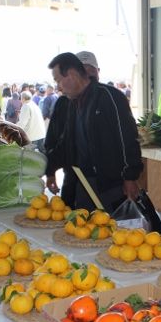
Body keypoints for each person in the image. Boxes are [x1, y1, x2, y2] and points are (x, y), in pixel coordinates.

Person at [45, 52, 143, 212]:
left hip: (111, 185)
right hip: (83, 184)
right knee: (86, 226)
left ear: (71, 74)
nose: (58, 87)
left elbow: (128, 138)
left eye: (58, 80)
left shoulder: (110, 97)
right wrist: (48, 168)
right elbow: (66, 143)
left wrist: (130, 177)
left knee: (112, 226)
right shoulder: (72, 104)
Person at [45, 50, 100, 206]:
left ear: (98, 71)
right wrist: (50, 171)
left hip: (102, 182)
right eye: (84, 71)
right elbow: (54, 139)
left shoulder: (106, 98)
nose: (88, 76)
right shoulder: (64, 103)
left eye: (92, 72)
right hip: (72, 176)